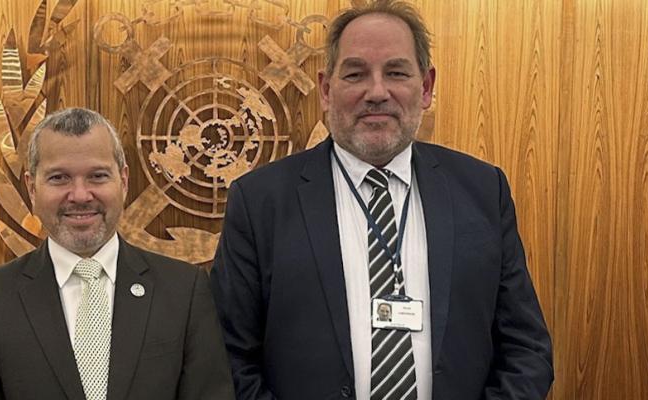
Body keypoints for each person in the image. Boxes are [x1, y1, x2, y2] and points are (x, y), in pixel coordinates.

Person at [209, 1, 553, 399]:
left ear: (425, 87)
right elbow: (227, 357)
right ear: (325, 89)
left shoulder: (482, 190)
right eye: (356, 74)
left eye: (396, 72)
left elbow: (527, 350)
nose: (376, 92)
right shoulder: (260, 201)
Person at [0, 107, 234, 400]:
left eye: (97, 176)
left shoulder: (184, 291)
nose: (81, 195)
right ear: (32, 188)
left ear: (123, 182)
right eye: (59, 178)